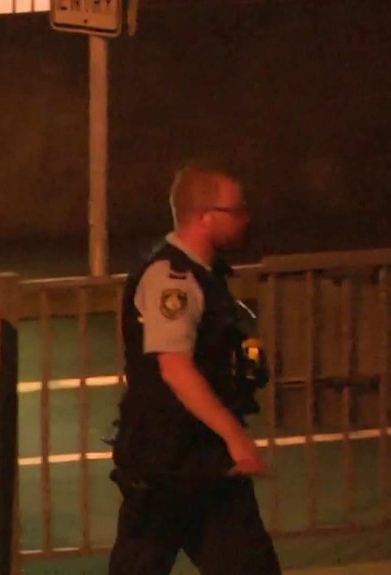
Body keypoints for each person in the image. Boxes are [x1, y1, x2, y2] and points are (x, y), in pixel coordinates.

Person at [107, 161, 281, 574]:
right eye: (235, 210)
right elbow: (175, 368)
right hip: (166, 461)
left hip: (203, 459)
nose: (245, 219)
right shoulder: (175, 280)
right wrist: (234, 436)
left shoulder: (204, 275)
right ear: (204, 217)